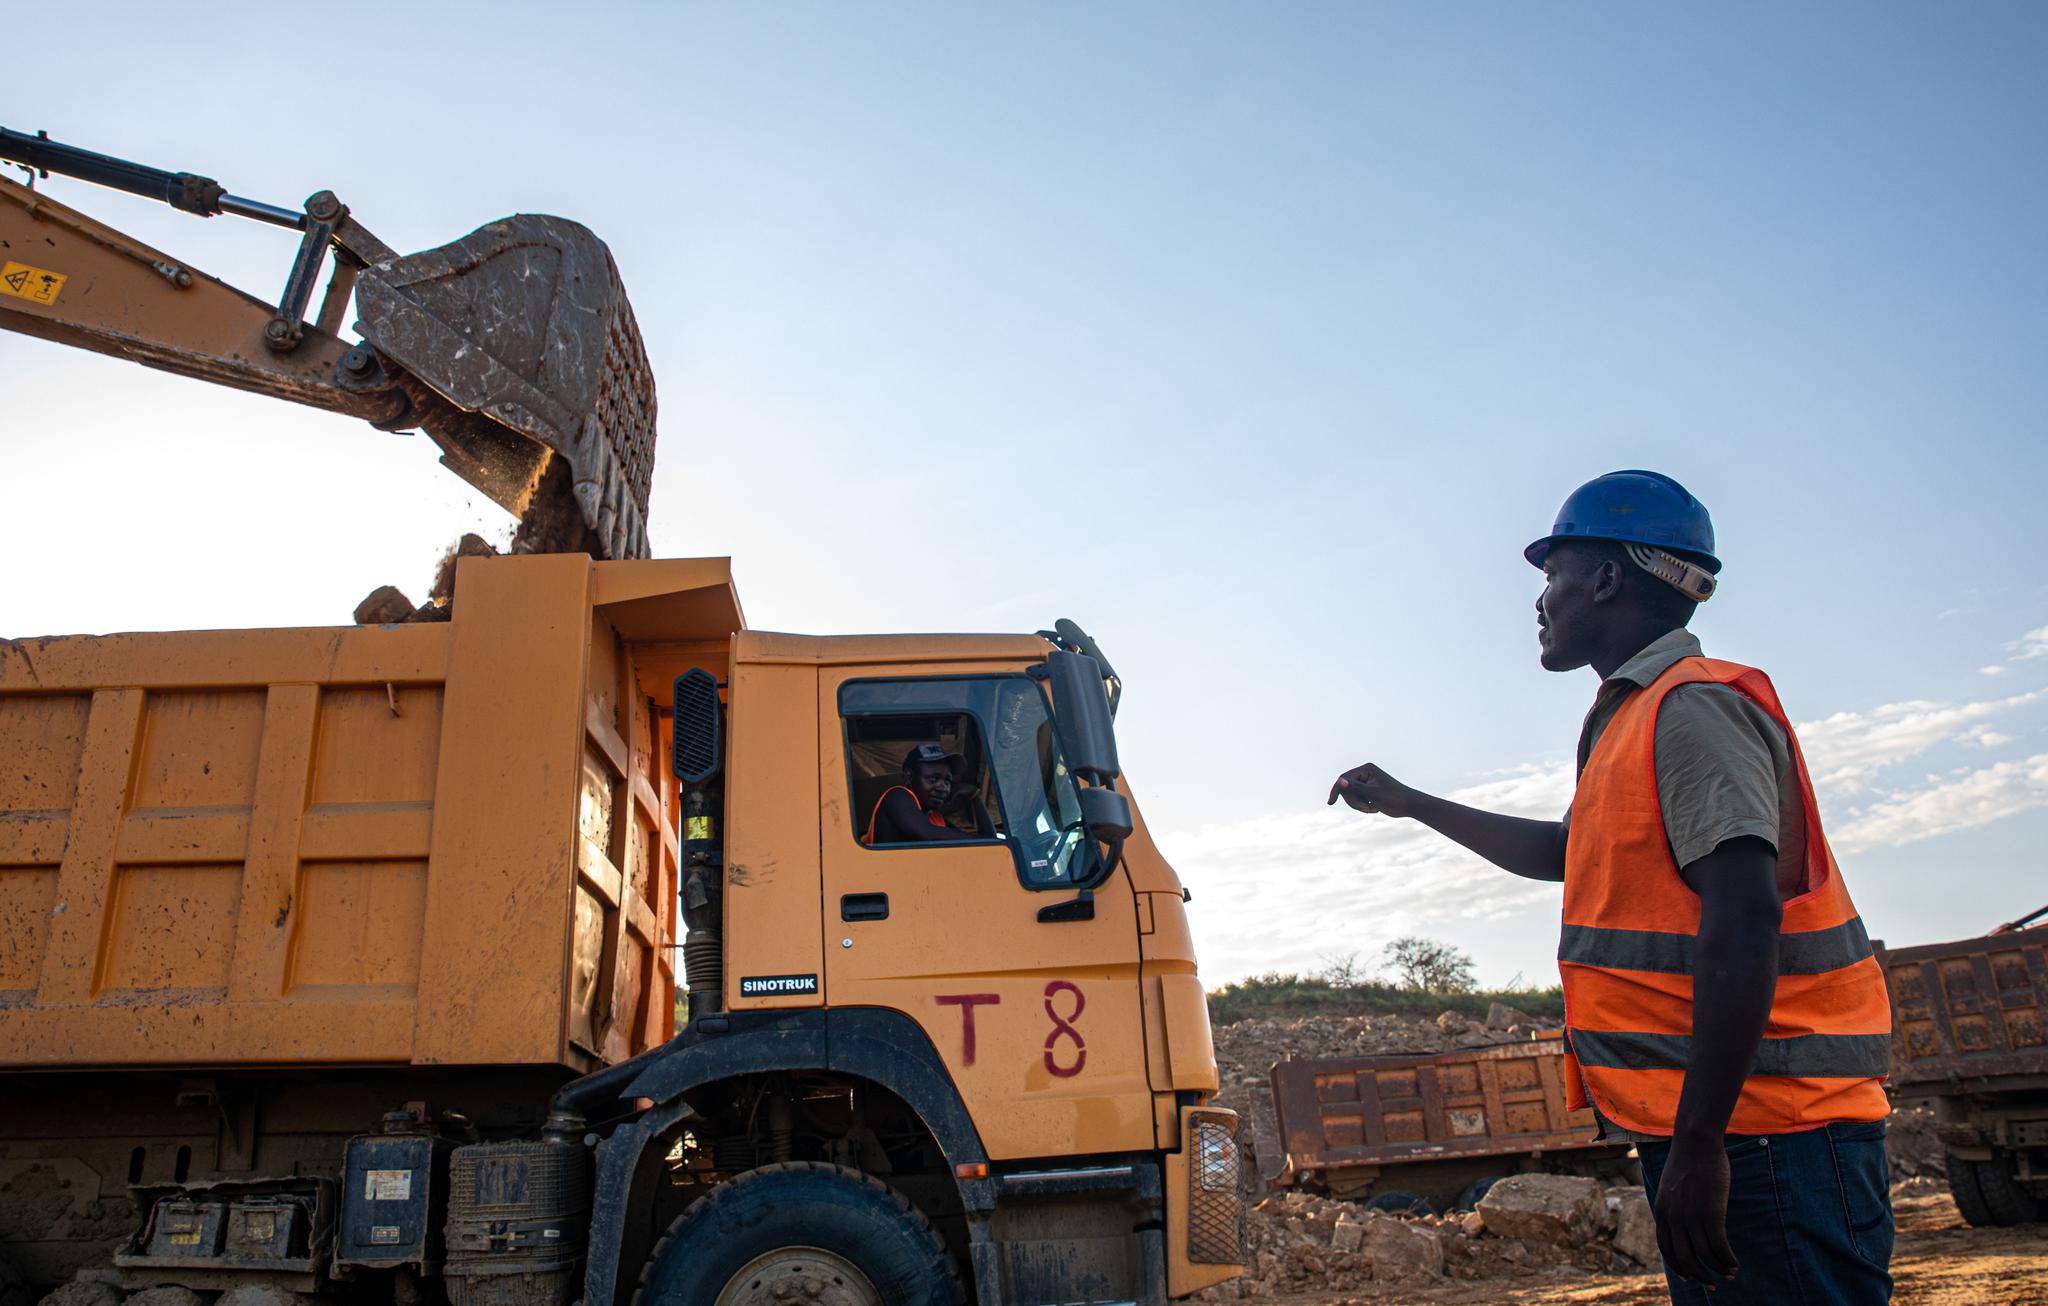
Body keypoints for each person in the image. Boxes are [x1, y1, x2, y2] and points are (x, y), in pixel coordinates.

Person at [1329, 470, 1894, 1305]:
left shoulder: (1690, 710)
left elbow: (1744, 918)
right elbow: (1568, 851)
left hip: (1769, 1135)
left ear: (1605, 579)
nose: (1541, 598)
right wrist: (1413, 804)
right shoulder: (1632, 716)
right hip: (1729, 1125)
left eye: (1552, 573)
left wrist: (1702, 1144)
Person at [864, 743, 980, 844]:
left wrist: (974, 796)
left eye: (947, 781)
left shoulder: (933, 817)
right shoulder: (897, 796)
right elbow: (928, 834)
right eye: (933, 779)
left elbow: (988, 841)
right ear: (909, 777)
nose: (942, 788)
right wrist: (983, 841)